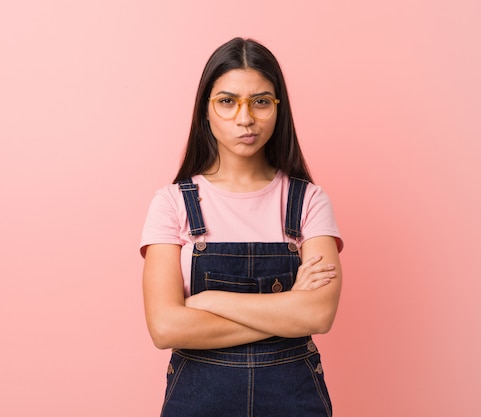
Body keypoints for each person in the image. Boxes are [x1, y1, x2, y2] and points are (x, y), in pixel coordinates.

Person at [140, 37, 343, 417]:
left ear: (278, 108)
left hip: (293, 402)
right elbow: (166, 327)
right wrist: (286, 313)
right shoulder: (171, 203)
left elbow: (317, 316)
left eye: (261, 101)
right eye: (227, 101)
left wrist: (207, 303)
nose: (245, 118)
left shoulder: (310, 201)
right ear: (206, 110)